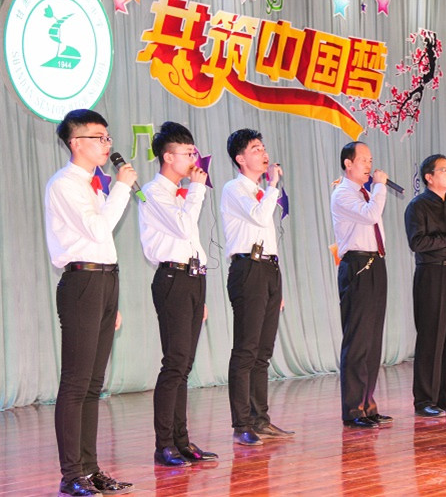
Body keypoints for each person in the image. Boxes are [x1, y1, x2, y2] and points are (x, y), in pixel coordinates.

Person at [45, 109, 135, 496]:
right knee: (76, 382)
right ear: (76, 143)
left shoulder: (94, 186)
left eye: (108, 137)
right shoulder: (64, 184)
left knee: (94, 384)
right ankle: (71, 475)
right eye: (99, 137)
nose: (107, 144)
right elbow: (98, 229)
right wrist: (122, 188)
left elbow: (103, 243)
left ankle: (91, 469)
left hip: (104, 281)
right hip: (82, 282)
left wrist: (112, 302)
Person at [138, 121, 217, 466]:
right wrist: (197, 190)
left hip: (193, 278)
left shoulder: (182, 195)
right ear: (168, 157)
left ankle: (182, 440)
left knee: (184, 365)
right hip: (172, 278)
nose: (193, 160)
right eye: (187, 153)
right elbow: (183, 228)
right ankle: (164, 444)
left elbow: (191, 242)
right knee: (174, 363)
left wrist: (202, 293)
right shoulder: (154, 192)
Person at [221, 129, 294, 445]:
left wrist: (277, 285)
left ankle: (260, 419)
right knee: (246, 349)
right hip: (247, 269)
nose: (264, 153)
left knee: (263, 352)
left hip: (268, 268)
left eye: (264, 147)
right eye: (255, 149)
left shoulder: (263, 191)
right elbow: (260, 217)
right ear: (240, 158)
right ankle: (242, 424)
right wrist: (273, 186)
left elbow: (268, 234)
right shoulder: (234, 188)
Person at [404, 154, 446, 418]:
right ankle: (425, 399)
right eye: (443, 170)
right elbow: (417, 243)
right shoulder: (418, 206)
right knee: (432, 338)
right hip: (433, 275)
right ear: (429, 177)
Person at [330, 141, 392, 429]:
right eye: (364, 160)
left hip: (375, 262)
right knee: (357, 339)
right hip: (357, 265)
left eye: (370, 160)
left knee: (373, 339)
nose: (369, 165)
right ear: (348, 164)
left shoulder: (365, 193)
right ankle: (353, 408)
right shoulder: (342, 193)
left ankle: (368, 405)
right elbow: (370, 215)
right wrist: (379, 187)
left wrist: (375, 189)